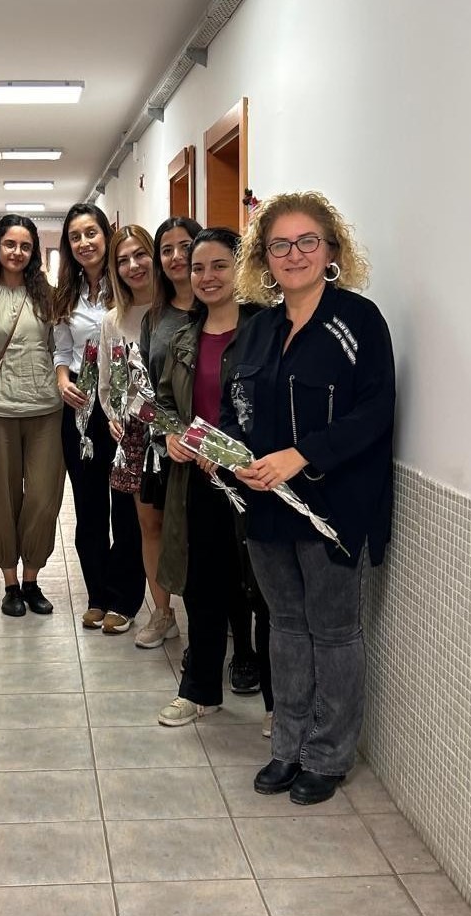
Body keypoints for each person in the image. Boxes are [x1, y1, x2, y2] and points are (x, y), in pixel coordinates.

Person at [228, 191, 395, 805]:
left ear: (331, 250)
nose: (294, 254)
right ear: (264, 257)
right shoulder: (257, 330)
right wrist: (231, 457)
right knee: (286, 626)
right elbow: (235, 410)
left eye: (307, 242)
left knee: (334, 631)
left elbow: (374, 411)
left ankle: (328, 756)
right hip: (266, 507)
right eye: (280, 244)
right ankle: (288, 747)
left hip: (333, 509)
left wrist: (302, 455)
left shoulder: (359, 321)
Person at [153, 227, 271, 730]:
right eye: (198, 267)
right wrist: (171, 436)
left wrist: (231, 452)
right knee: (202, 588)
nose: (207, 277)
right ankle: (199, 691)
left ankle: (277, 705)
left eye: (219, 265)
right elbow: (164, 404)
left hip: (256, 482)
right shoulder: (184, 338)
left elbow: (273, 410)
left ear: (240, 268)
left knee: (264, 593)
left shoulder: (267, 331)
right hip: (197, 483)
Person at [52, 204, 146, 631]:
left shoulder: (126, 284)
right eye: (75, 237)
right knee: (88, 506)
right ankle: (97, 594)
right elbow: (62, 350)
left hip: (123, 409)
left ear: (106, 235)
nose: (84, 243)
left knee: (125, 506)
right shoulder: (66, 293)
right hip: (80, 408)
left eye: (91, 233)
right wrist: (62, 380)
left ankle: (125, 599)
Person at [0, 214, 64, 616]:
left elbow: (62, 348)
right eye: (10, 244)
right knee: (0, 499)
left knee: (43, 499)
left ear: (34, 252)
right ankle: (11, 583)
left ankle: (32, 579)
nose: (17, 252)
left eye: (26, 246)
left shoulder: (50, 297)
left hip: (47, 410)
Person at [132, 216, 202, 648]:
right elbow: (147, 383)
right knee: (152, 524)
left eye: (185, 246)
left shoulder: (219, 308)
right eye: (167, 250)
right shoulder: (154, 317)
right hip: (160, 443)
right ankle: (162, 614)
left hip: (207, 446)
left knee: (199, 533)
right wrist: (164, 431)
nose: (177, 257)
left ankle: (209, 617)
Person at [97, 225, 164, 634]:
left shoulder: (180, 308)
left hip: (180, 434)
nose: (133, 265)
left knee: (187, 526)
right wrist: (114, 416)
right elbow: (106, 383)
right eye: (122, 260)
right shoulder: (113, 320)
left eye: (140, 255)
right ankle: (159, 612)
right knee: (143, 526)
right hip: (136, 437)